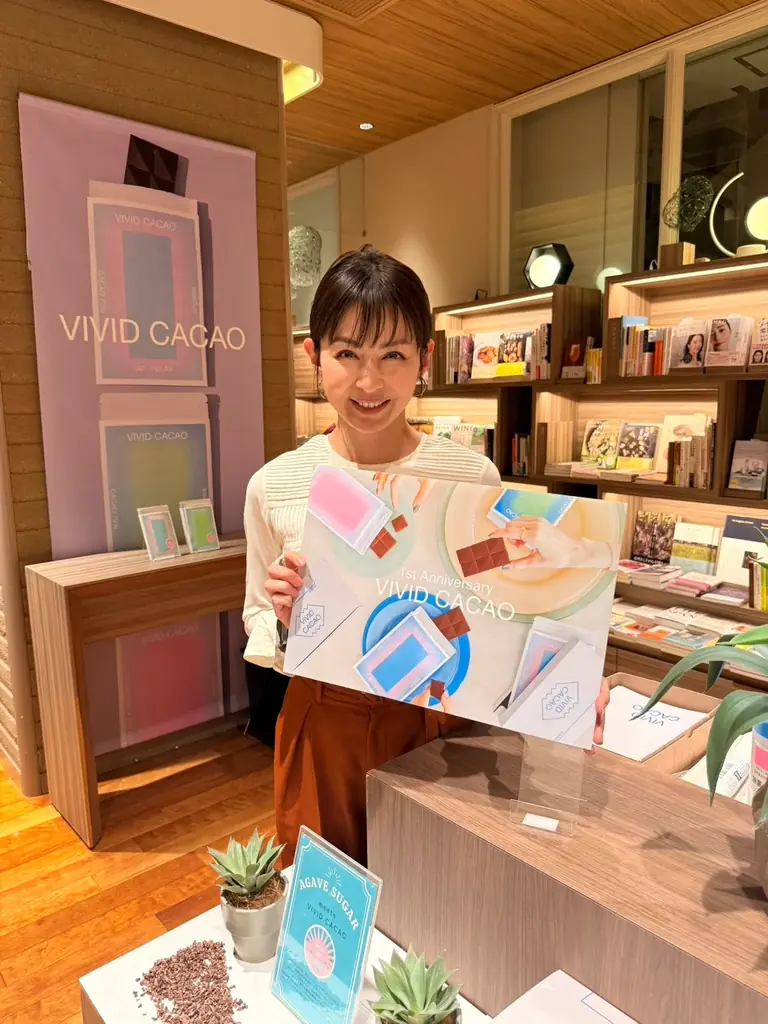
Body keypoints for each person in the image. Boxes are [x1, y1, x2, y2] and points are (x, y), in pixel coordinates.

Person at [243, 245, 610, 866]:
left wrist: (571, 675)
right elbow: (257, 615)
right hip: (324, 718)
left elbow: (499, 605)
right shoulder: (275, 485)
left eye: (393, 355)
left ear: (424, 360)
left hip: (441, 712)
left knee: (437, 886)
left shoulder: (470, 477)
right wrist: (284, 622)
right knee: (327, 887)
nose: (369, 382)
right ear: (314, 356)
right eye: (347, 354)